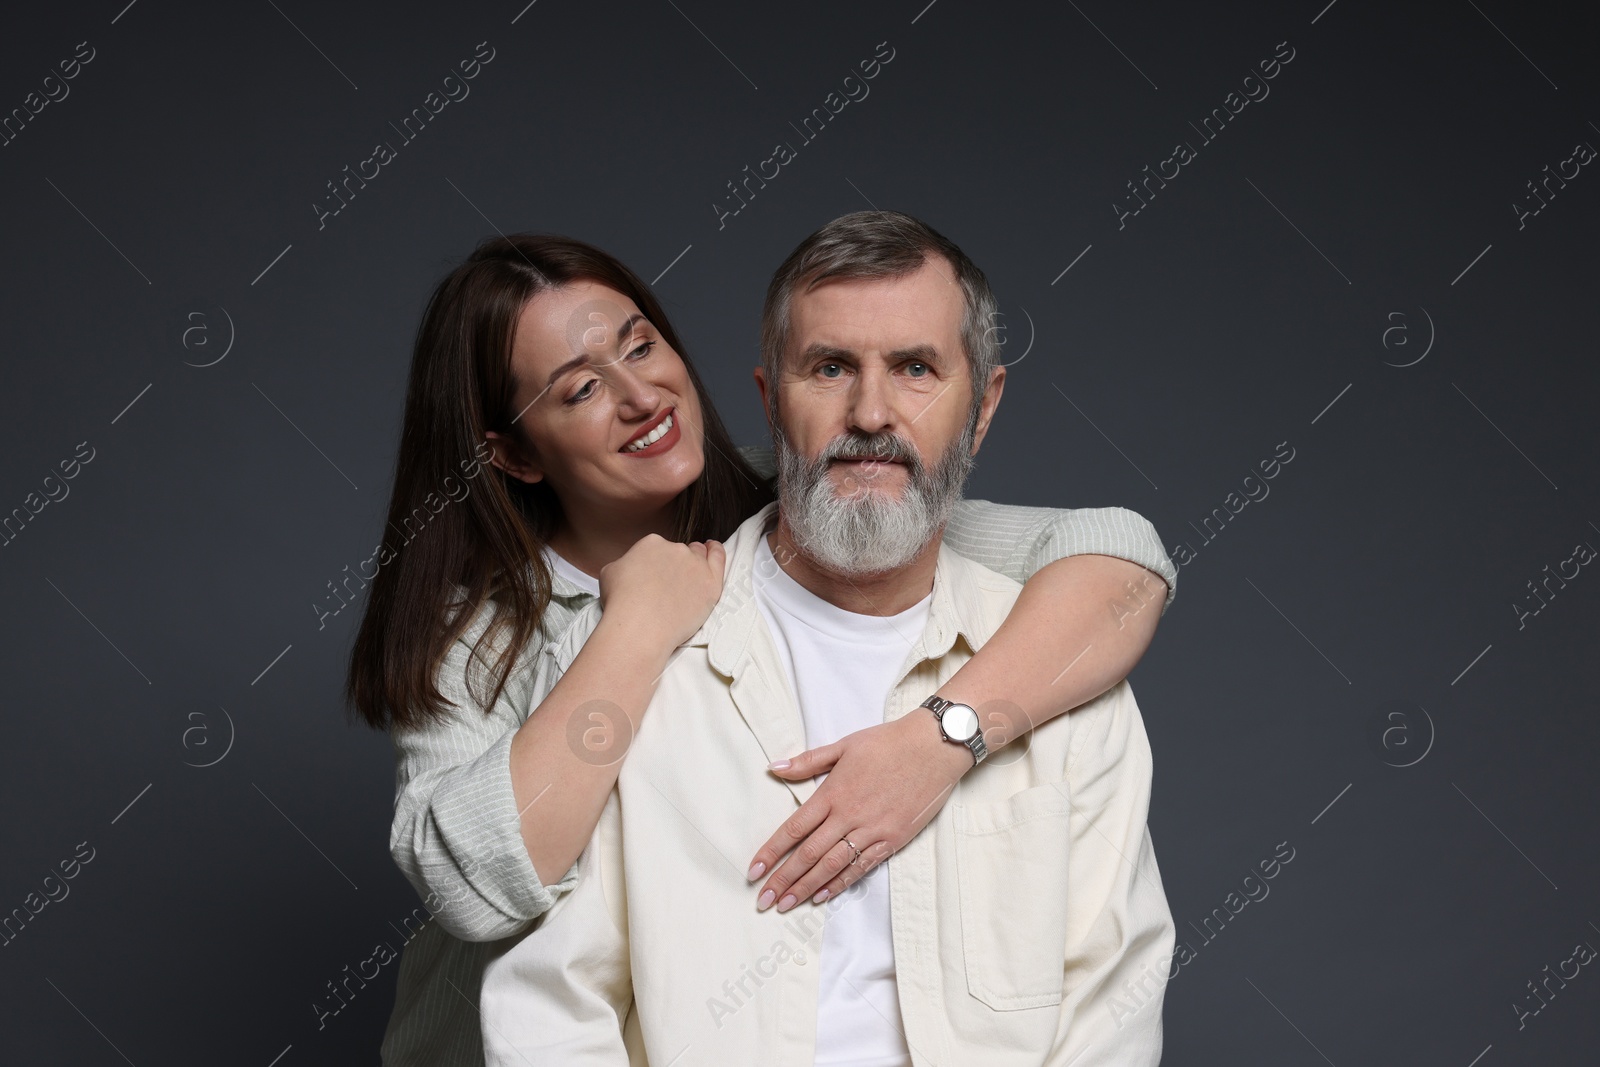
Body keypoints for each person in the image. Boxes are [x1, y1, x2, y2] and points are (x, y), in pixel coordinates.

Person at [346, 228, 1177, 1066]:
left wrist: (937, 741)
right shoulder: (488, 638)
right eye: (582, 389)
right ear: (515, 452)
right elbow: (483, 904)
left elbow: (1118, 560)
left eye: (641, 345)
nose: (643, 398)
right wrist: (634, 625)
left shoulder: (821, 488)